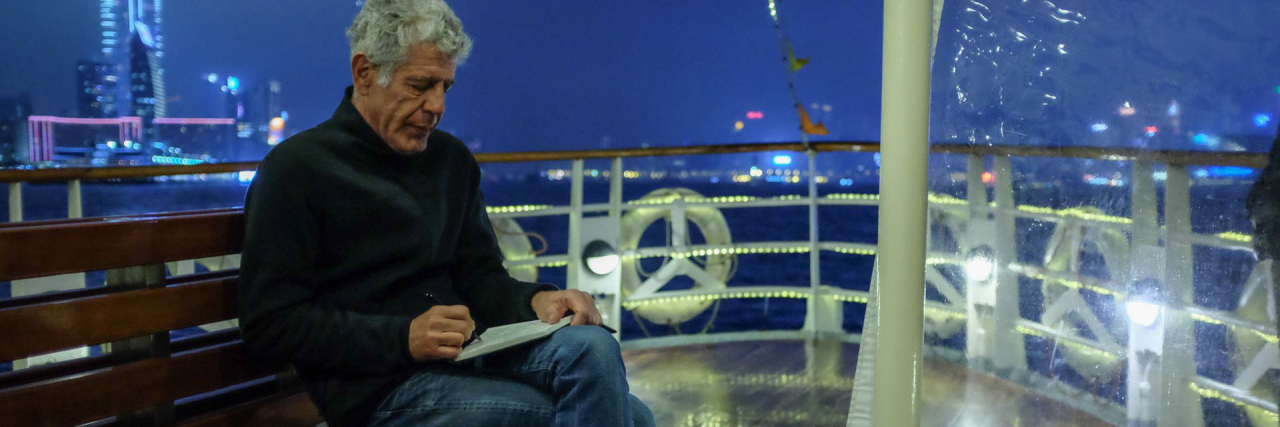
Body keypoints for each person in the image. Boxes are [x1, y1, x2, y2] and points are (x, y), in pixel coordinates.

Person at [238, 1, 655, 426]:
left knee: (594, 346)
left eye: (445, 87)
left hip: (469, 354)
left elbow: (480, 278)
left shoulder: (451, 161)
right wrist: (404, 338)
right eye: (420, 85)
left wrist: (537, 299)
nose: (436, 105)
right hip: (377, 390)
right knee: (632, 419)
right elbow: (269, 326)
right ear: (364, 73)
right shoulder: (298, 169)